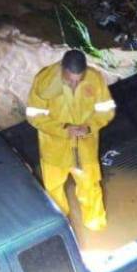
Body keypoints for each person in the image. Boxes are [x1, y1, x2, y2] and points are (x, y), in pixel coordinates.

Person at [25, 50, 116, 231]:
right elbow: (34, 115)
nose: (75, 83)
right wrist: (64, 130)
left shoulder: (95, 78)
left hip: (84, 147)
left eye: (79, 79)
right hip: (55, 150)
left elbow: (107, 110)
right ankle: (61, 228)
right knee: (53, 191)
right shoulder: (44, 81)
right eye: (70, 79)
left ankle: (96, 226)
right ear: (62, 69)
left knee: (90, 187)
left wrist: (89, 127)